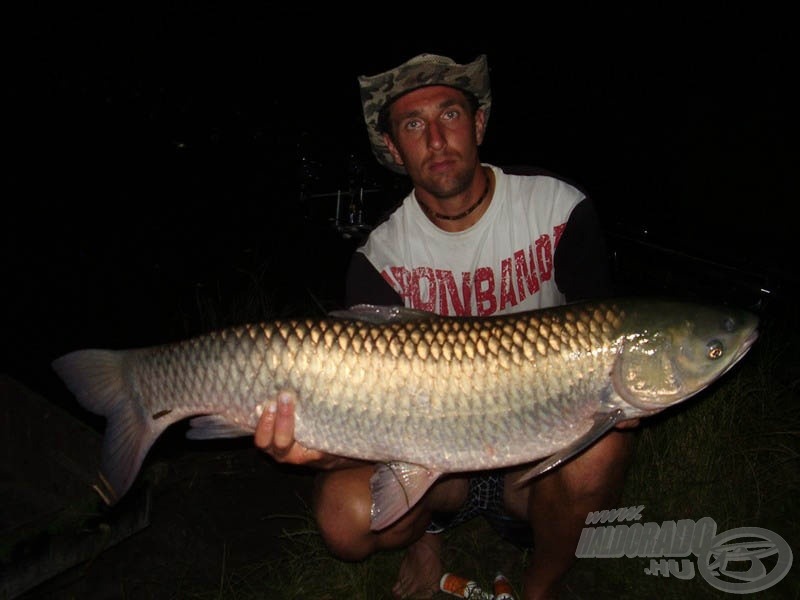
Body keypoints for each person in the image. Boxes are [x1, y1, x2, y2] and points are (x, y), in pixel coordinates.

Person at [255, 53, 637, 599]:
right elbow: (377, 415)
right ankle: (426, 538)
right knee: (344, 517)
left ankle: (542, 583)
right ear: (392, 147)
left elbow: (604, 334)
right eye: (413, 125)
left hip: (533, 463)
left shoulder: (558, 207)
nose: (435, 139)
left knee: (604, 442)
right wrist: (322, 444)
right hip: (432, 462)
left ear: (478, 123)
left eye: (450, 115)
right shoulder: (378, 259)